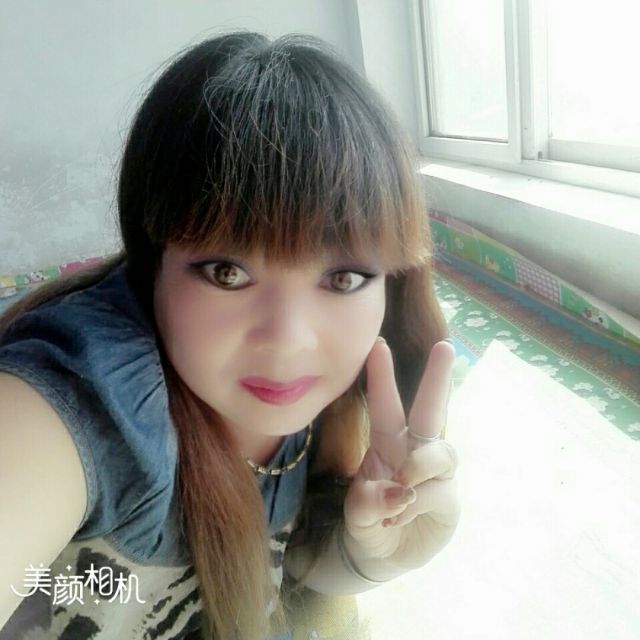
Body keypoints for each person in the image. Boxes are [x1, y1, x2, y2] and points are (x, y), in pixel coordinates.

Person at [0, 31, 460, 640]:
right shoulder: (89, 400)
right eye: (227, 272)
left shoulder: (348, 400)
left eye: (344, 278)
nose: (288, 342)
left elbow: (288, 563)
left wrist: (375, 553)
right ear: (153, 262)